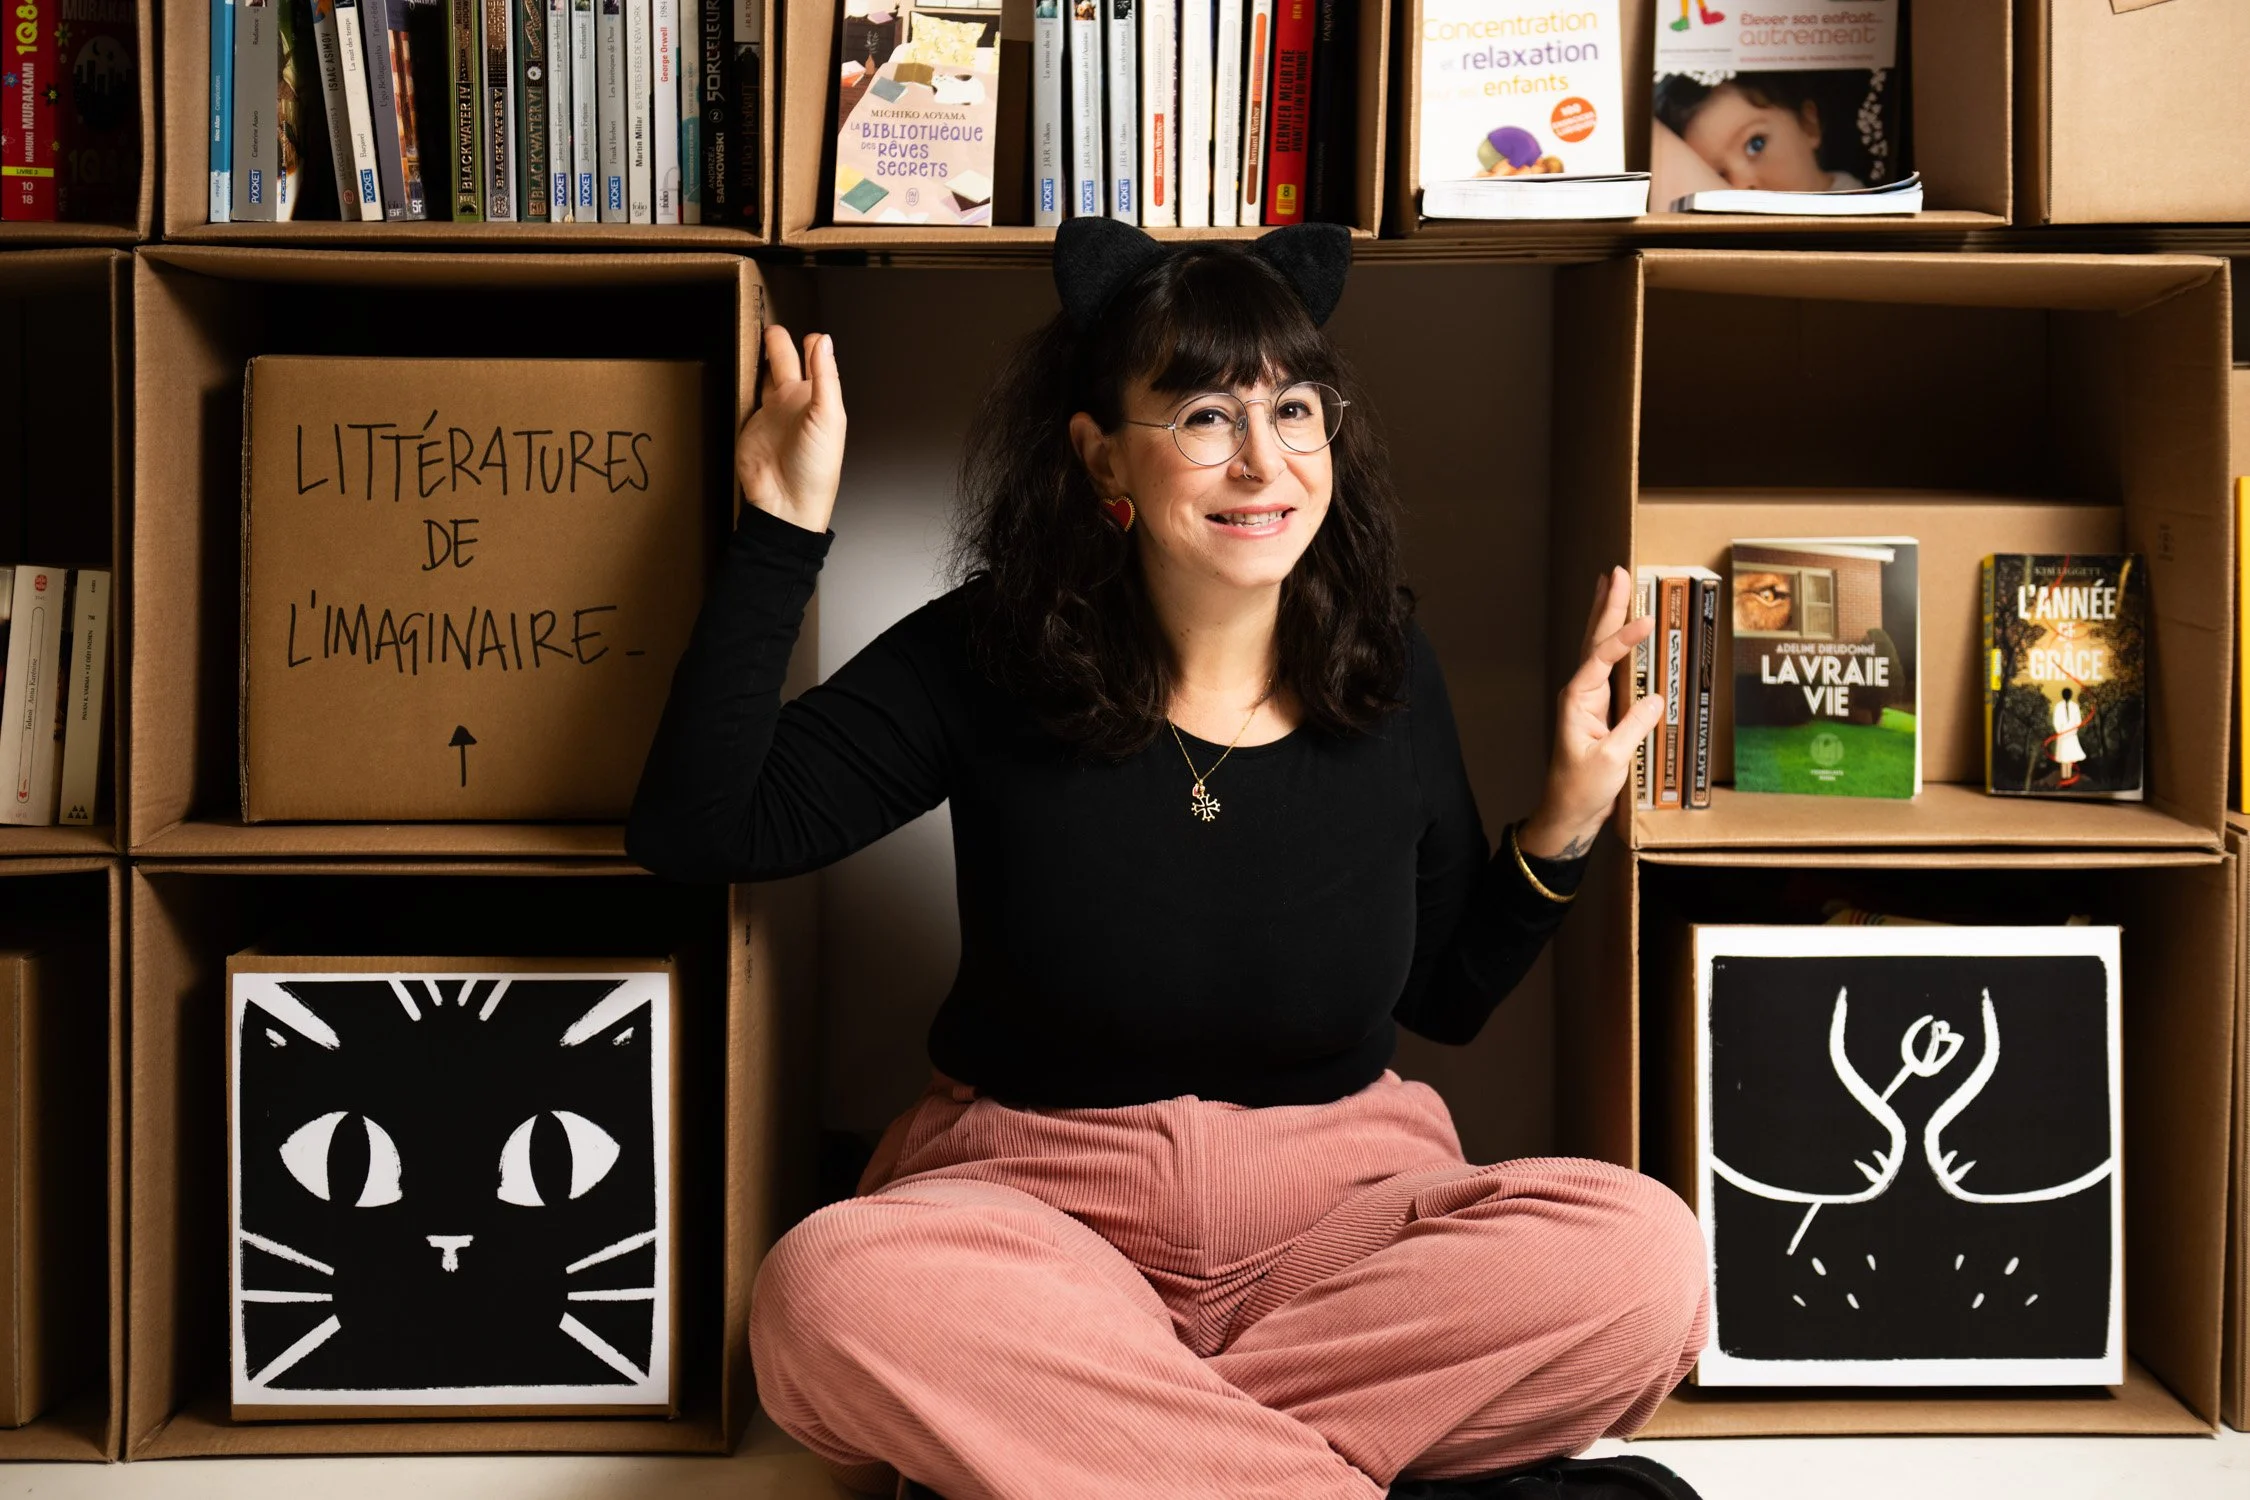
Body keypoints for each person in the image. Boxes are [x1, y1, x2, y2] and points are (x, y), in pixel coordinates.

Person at [627, 219, 1709, 1500]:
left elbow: (1445, 998)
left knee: (1646, 1256)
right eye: (1205, 416)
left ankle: (1092, 1452)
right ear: (1098, 459)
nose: (1265, 462)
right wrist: (783, 532)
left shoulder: (1386, 669)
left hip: (1342, 1231)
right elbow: (702, 828)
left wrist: (1564, 825)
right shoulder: (991, 655)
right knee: (824, 1297)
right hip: (1038, 1221)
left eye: (1295, 410)